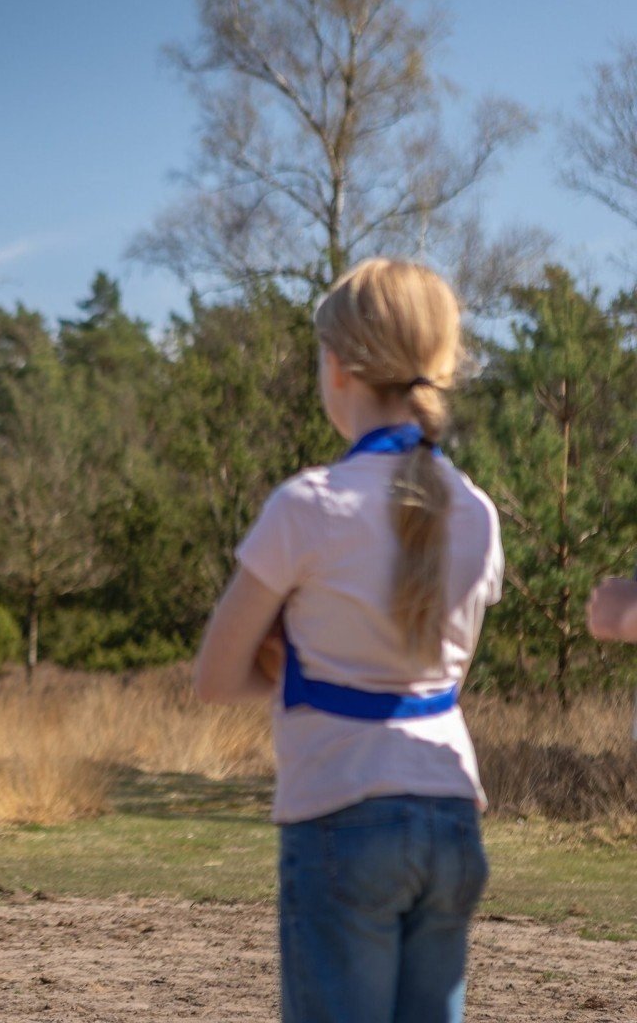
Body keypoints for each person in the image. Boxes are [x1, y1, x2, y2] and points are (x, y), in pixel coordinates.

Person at [192, 259, 504, 1023]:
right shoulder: (476, 510)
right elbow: (436, 670)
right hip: (451, 812)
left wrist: (292, 664)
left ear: (338, 367)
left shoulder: (308, 506)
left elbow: (214, 676)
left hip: (342, 807)